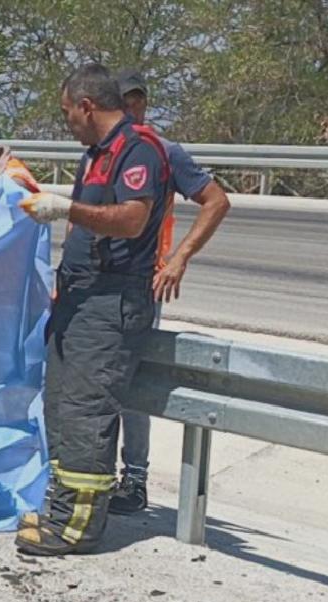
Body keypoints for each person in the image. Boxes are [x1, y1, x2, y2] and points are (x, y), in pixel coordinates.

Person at [14, 63, 170, 556]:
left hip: (111, 300)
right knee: (61, 405)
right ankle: (63, 509)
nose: (66, 123)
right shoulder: (95, 156)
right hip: (80, 295)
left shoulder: (136, 150)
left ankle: (77, 529)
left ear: (86, 105)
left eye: (67, 113)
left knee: (85, 411)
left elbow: (130, 219)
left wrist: (66, 209)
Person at [109, 69, 232, 514]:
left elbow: (216, 201)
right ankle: (96, 474)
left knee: (129, 381)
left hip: (143, 283)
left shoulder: (164, 151)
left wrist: (179, 258)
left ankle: (134, 477)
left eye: (138, 101)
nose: (133, 109)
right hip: (101, 283)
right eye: (124, 102)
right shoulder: (103, 150)